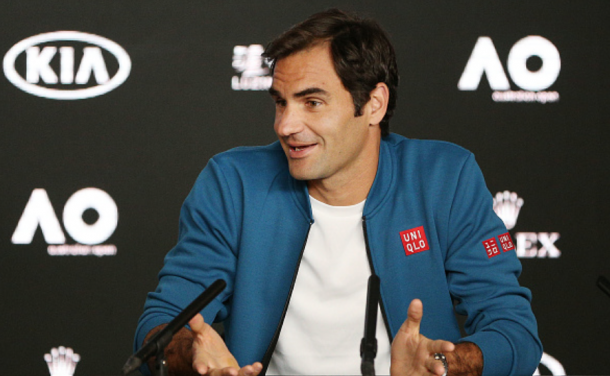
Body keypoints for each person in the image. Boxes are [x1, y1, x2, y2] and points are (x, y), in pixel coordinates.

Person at [134, 9, 542, 376]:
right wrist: (192, 357)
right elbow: (162, 323)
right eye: (280, 103)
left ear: (374, 105)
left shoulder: (445, 179)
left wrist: (443, 366)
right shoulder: (233, 182)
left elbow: (514, 332)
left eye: (312, 102)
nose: (285, 125)